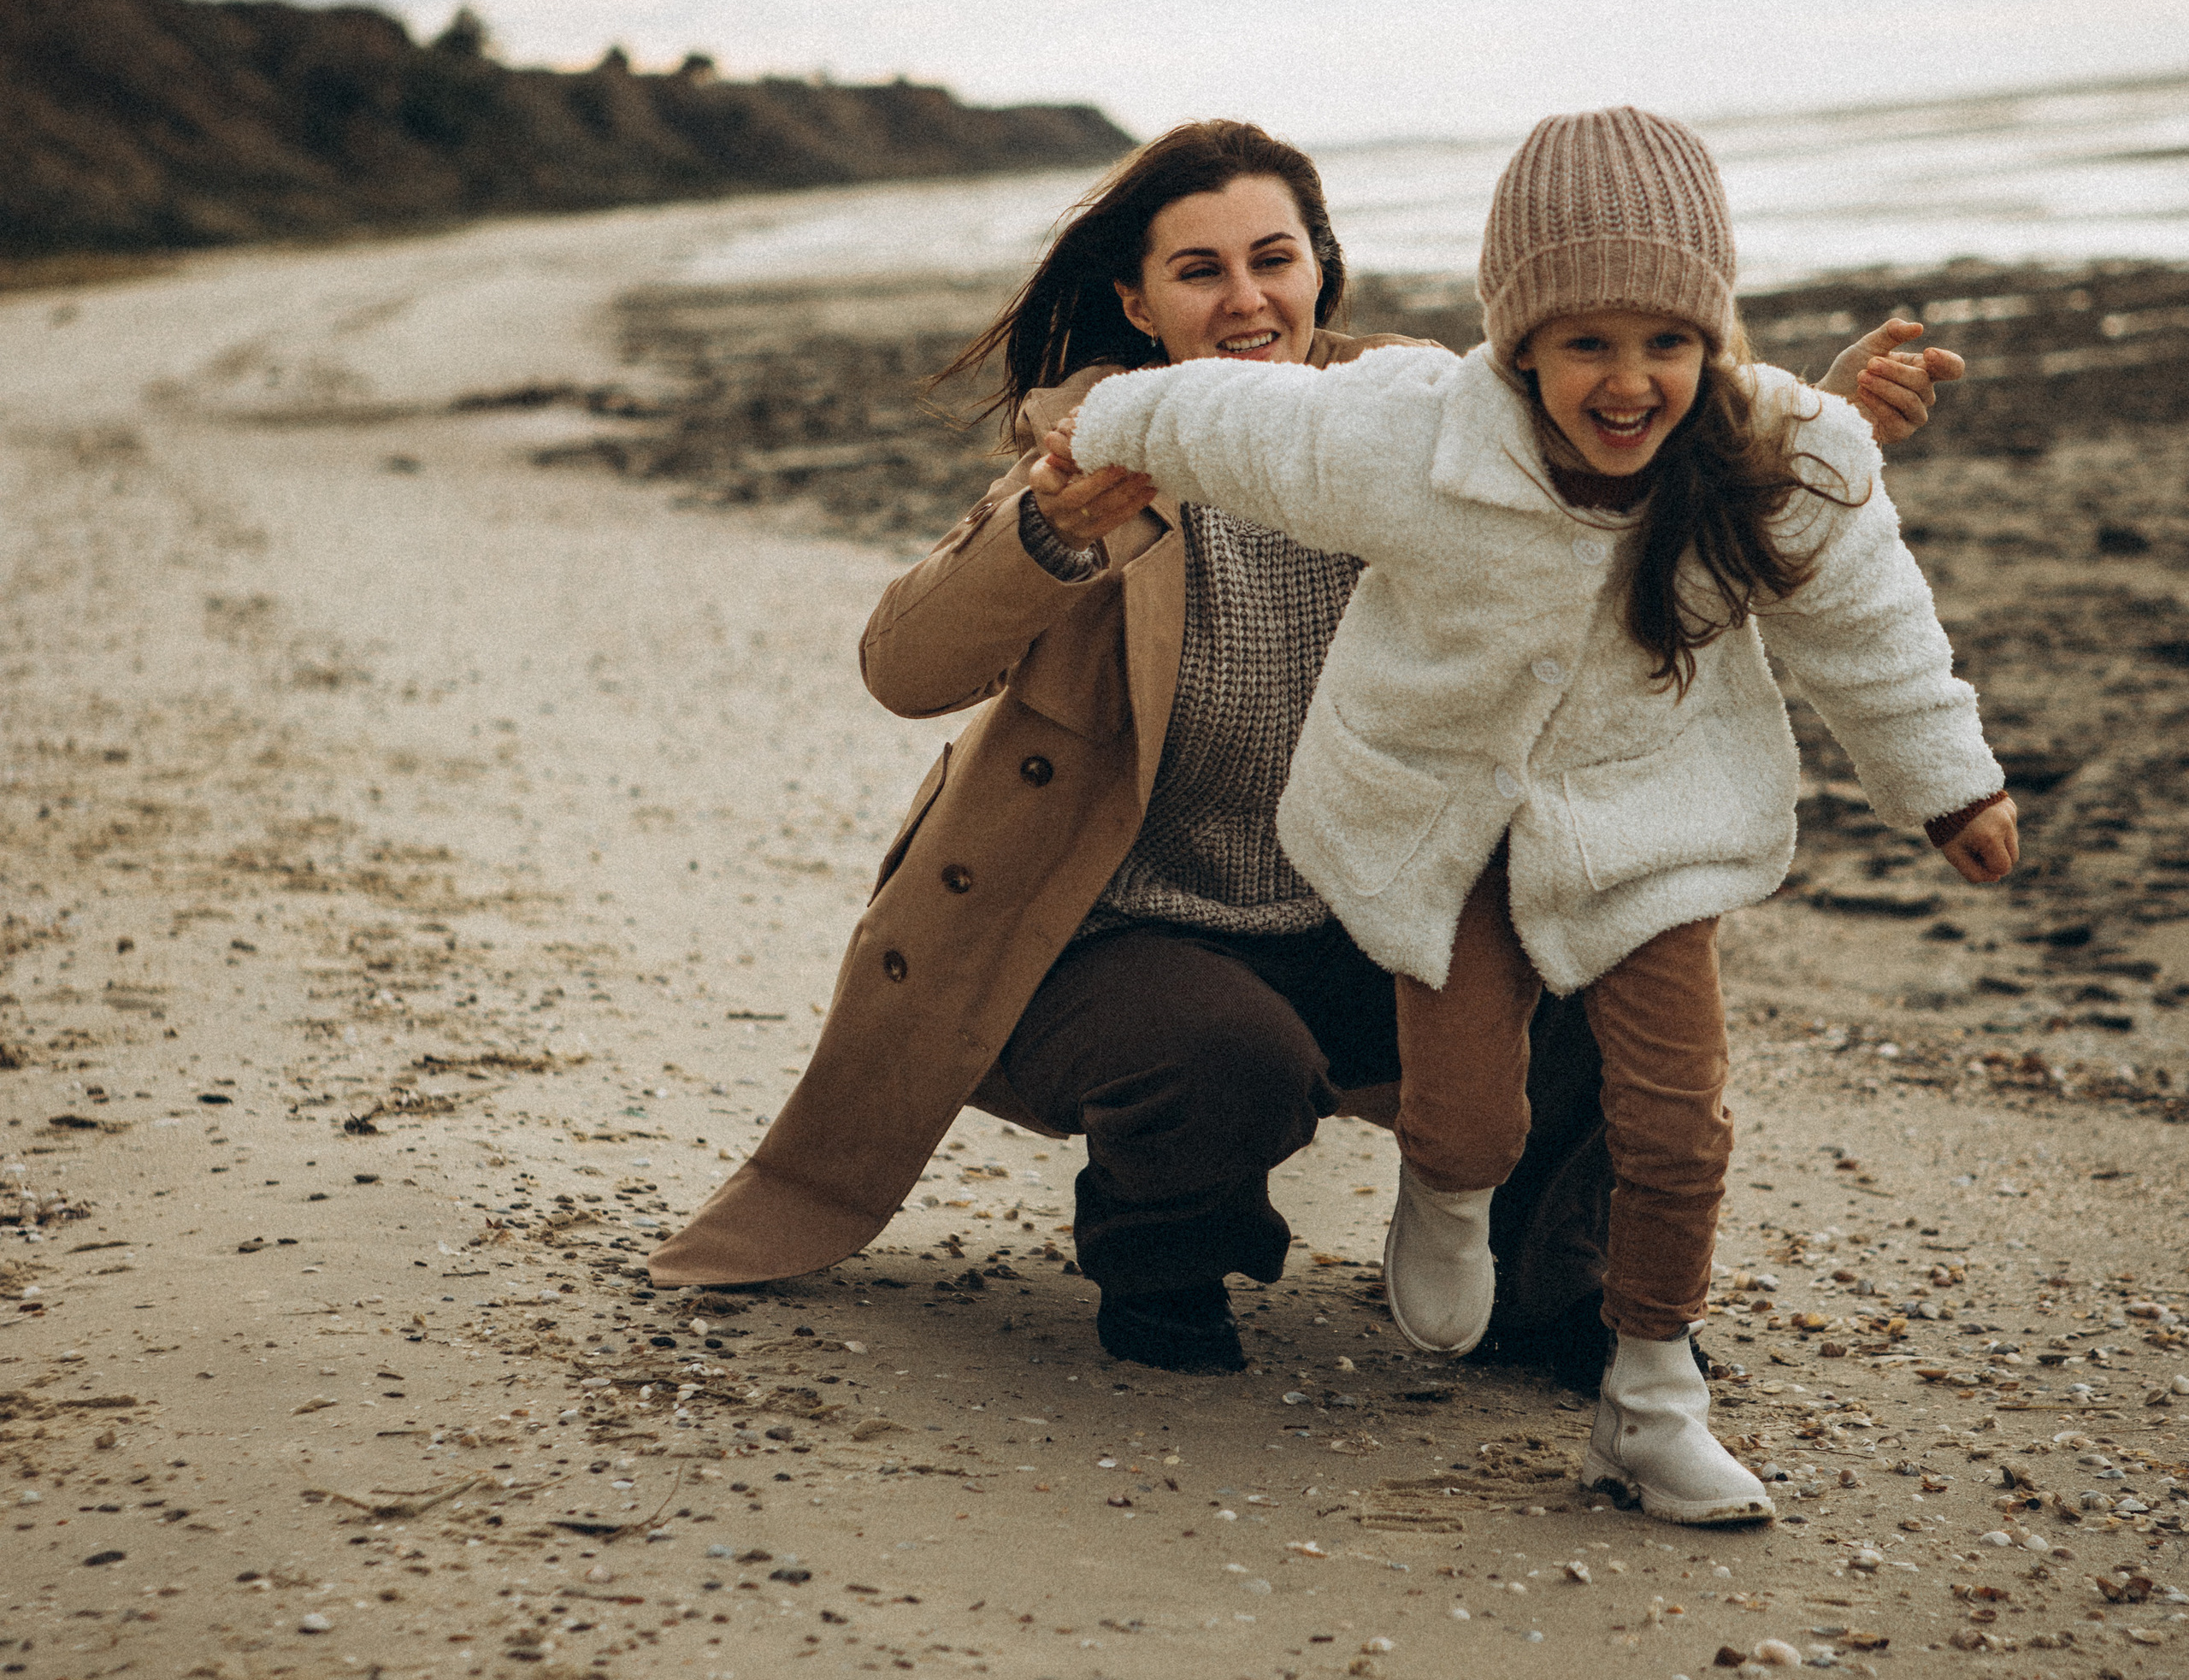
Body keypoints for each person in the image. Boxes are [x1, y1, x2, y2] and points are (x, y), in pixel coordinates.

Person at [649, 119, 1961, 1386]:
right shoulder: (1104, 448)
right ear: (1139, 300)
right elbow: (905, 669)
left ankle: (1555, 1292)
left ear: (1322, 266)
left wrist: (1816, 428)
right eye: (1199, 270)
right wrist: (1042, 538)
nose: (1245, 300)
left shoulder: (1434, 423)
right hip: (1127, 937)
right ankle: (1161, 1256)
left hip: (1374, 901)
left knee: (1596, 947)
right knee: (1227, 1056)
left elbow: (1638, 479)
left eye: (1273, 259)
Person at [1058, 107, 2014, 1514]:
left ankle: (1654, 1394)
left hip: (1650, 832)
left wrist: (1949, 784)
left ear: (1713, 343)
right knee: (1467, 1118)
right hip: (1442, 837)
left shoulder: (1769, 455)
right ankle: (1445, 1203)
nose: (1627, 384)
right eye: (1586, 347)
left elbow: (1868, 626)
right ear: (1520, 349)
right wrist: (1093, 423)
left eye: (1667, 345)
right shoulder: (1412, 431)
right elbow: (1242, 421)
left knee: (1680, 1125)